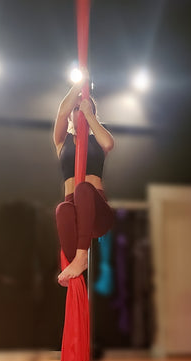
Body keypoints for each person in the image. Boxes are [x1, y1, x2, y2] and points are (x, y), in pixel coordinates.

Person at [53, 69, 115, 287]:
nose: (78, 112)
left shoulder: (98, 138)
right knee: (62, 209)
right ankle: (74, 270)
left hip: (95, 209)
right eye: (76, 109)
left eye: (84, 108)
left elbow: (108, 144)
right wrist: (79, 86)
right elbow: (61, 113)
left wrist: (89, 115)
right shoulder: (62, 142)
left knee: (82, 189)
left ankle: (81, 258)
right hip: (73, 211)